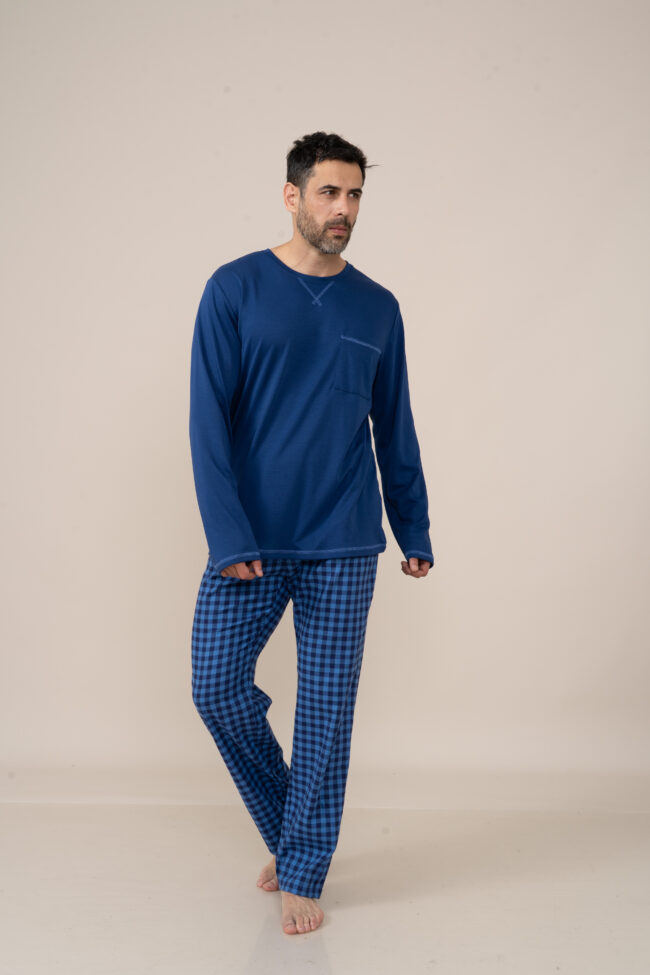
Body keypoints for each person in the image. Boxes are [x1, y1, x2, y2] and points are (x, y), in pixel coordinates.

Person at [189, 131, 434, 935]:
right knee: (216, 686)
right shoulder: (235, 288)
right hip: (252, 541)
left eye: (354, 194)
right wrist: (229, 537)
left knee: (325, 713)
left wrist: (412, 524)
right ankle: (294, 832)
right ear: (292, 195)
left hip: (344, 538)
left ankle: (302, 866)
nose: (344, 208)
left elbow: (395, 424)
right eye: (329, 192)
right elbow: (207, 423)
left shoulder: (378, 306)